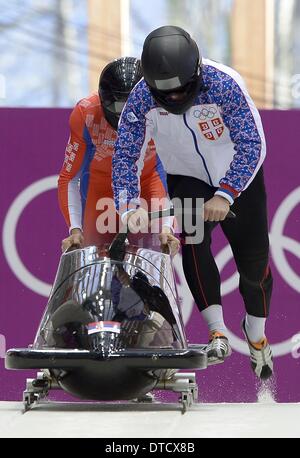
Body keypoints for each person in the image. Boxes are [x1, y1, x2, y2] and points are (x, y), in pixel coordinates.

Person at [112, 27, 274, 380]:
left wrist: (226, 193)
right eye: (164, 93)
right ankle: (216, 331)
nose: (173, 98)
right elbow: (125, 155)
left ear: (196, 73)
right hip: (188, 178)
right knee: (194, 242)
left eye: (182, 90)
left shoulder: (224, 85)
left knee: (254, 265)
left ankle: (257, 335)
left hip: (238, 177)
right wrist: (128, 206)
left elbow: (253, 143)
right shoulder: (141, 100)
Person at [58, 57, 179, 256]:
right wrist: (75, 230)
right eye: (118, 108)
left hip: (149, 184)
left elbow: (174, 172)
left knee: (156, 253)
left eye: (133, 107)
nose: (126, 117)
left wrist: (167, 228)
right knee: (95, 259)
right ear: (104, 101)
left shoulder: (163, 111)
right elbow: (69, 178)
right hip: (101, 189)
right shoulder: (86, 113)